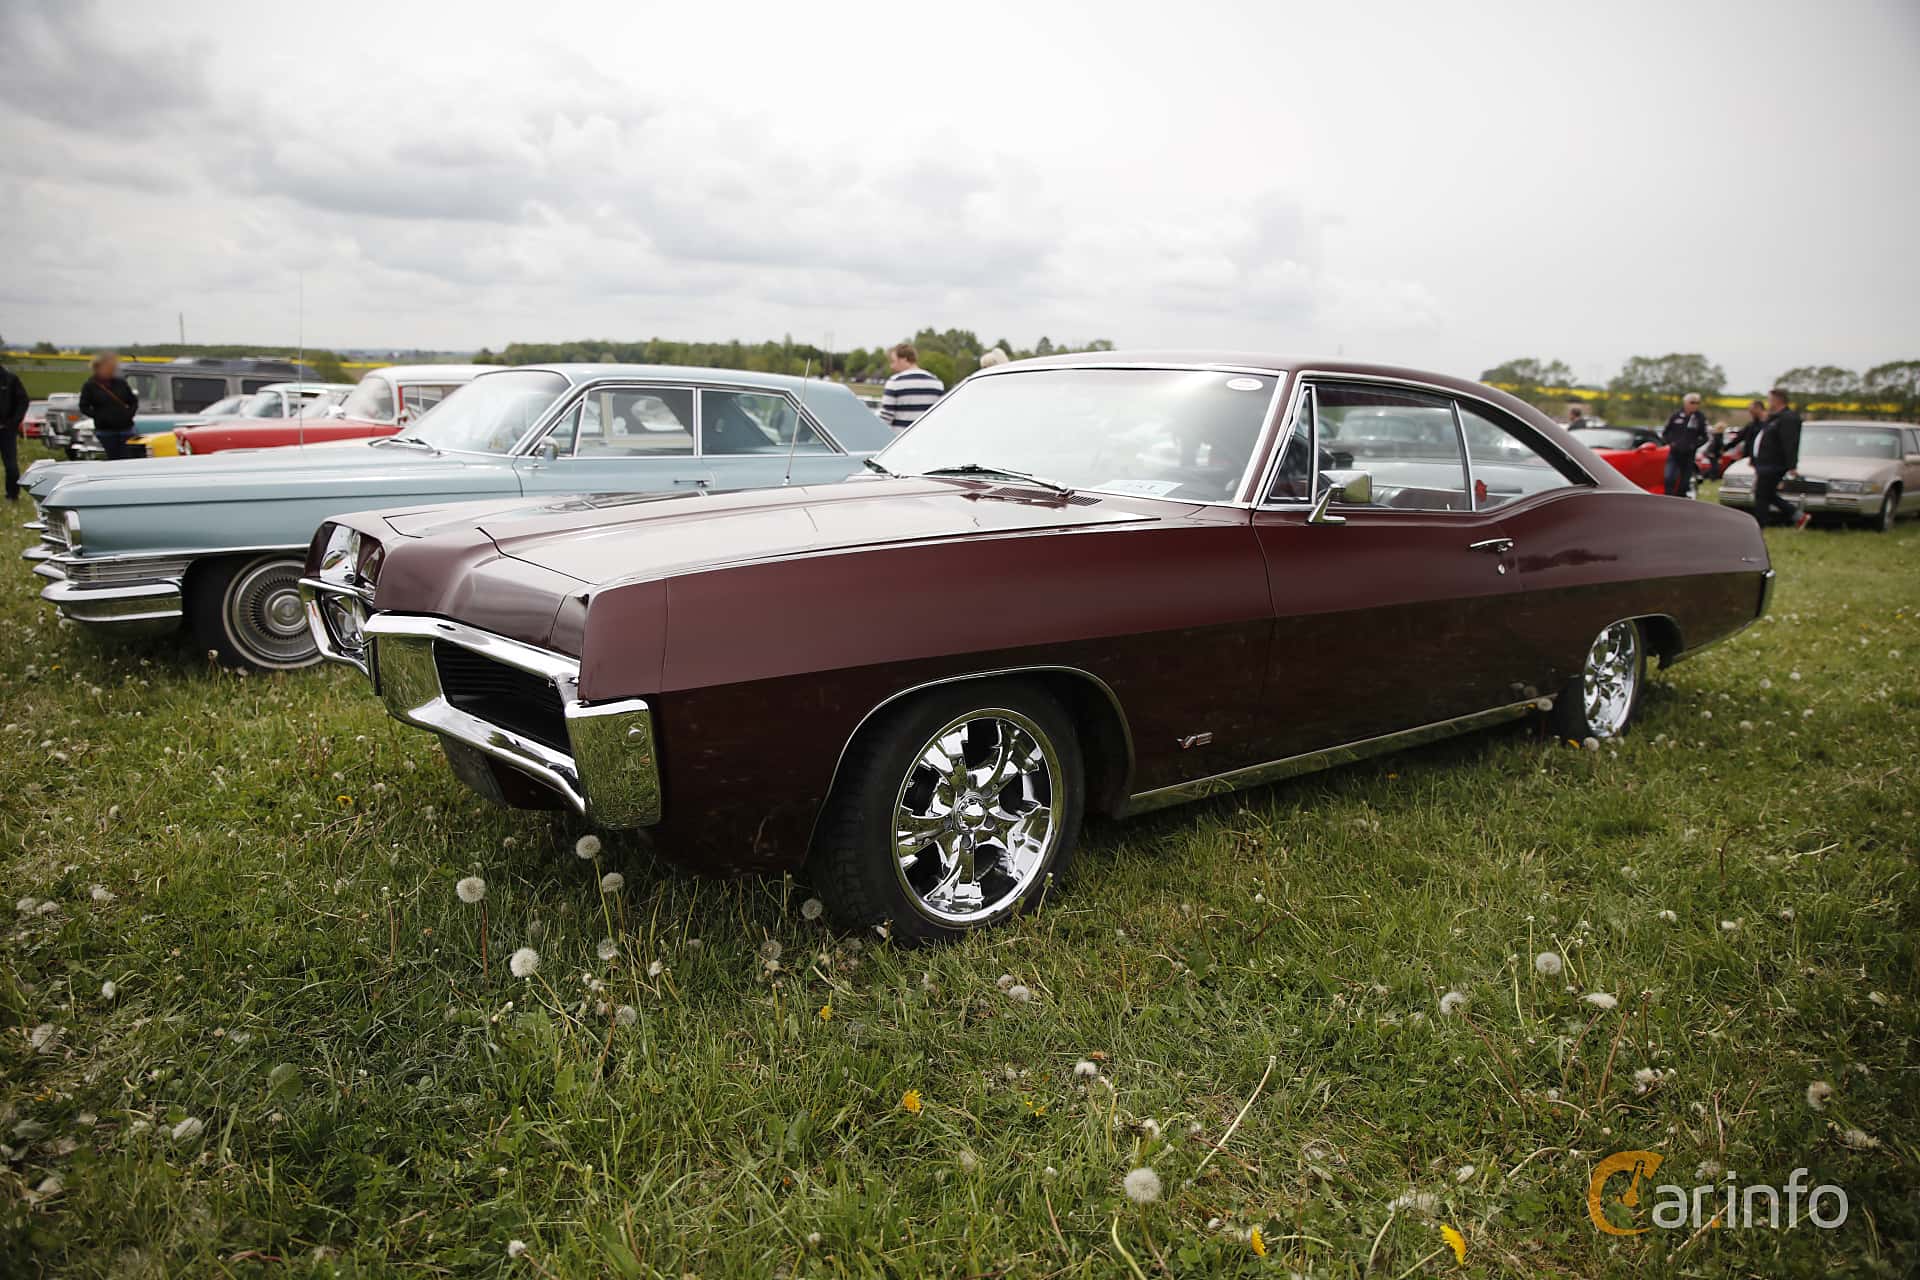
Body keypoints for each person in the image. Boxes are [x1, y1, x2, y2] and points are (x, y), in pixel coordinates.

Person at [1749, 387, 1807, 529]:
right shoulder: (1775, 418)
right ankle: (1798, 516)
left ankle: (1759, 525)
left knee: (1762, 495)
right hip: (1765, 463)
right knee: (1767, 493)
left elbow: (1790, 442)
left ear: (1777, 400)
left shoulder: (1789, 418)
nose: (1768, 403)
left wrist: (1792, 465)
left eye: (1769, 400)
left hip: (1774, 464)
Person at [77, 351, 139, 459]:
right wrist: (99, 416)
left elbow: (133, 401)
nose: (111, 370)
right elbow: (83, 406)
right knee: (114, 457)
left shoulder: (120, 383)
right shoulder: (90, 386)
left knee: (128, 457)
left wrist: (129, 414)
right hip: (105, 430)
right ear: (98, 368)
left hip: (126, 428)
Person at [877, 343, 944, 430]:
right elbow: (939, 416)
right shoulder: (937, 383)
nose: (891, 366)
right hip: (927, 435)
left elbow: (885, 419)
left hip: (901, 437)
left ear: (904, 359)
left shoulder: (894, 382)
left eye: (893, 361)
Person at [1659, 392, 1710, 496]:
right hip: (1674, 453)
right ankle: (1668, 497)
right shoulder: (1676, 415)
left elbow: (1705, 437)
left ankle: (1681, 498)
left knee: (1685, 481)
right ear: (1685, 403)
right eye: (1692, 402)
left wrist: (1694, 445)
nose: (1695, 405)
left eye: (1697, 403)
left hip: (1689, 455)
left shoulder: (1700, 418)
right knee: (1669, 477)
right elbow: (1665, 433)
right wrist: (1671, 443)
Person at [0, 360, 26, 501]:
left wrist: (13, 423)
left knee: (11, 467)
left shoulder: (10, 379)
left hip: (7, 431)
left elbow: (23, 401)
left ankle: (12, 495)